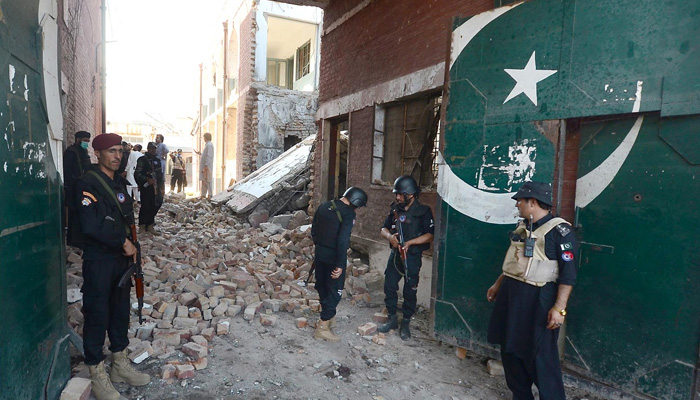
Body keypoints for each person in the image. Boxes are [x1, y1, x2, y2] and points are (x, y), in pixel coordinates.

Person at [74, 133, 151, 400]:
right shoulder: (88, 183)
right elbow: (91, 225)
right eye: (111, 151)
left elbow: (125, 219)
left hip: (121, 260)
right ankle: (96, 374)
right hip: (99, 260)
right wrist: (122, 242)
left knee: (119, 312)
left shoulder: (118, 182)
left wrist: (133, 249)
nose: (117, 156)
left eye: (120, 151)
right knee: (97, 314)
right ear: (98, 154)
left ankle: (119, 364)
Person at [486, 181, 579, 400]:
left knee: (541, 356)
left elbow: (568, 275)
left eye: (521, 200)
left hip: (539, 301)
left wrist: (559, 309)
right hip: (511, 298)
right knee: (510, 349)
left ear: (533, 202)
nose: (517, 204)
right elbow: (515, 264)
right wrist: (498, 284)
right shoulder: (523, 228)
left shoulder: (560, 232)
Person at [377, 175, 434, 340]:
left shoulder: (423, 211)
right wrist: (390, 238)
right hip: (396, 255)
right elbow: (383, 228)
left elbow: (430, 235)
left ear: (411, 194)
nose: (398, 197)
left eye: (401, 194)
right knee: (389, 285)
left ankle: (406, 322)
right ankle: (392, 319)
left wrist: (410, 243)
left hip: (413, 257)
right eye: (397, 194)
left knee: (410, 289)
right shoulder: (396, 209)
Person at [310, 187, 368, 342]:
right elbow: (343, 241)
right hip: (334, 256)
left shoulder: (324, 206)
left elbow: (314, 229)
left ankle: (329, 318)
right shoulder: (348, 214)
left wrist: (320, 246)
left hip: (320, 253)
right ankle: (322, 327)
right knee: (335, 289)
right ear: (356, 202)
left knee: (322, 285)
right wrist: (340, 265)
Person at [63, 130, 92, 247]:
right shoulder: (71, 152)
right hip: (73, 188)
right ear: (77, 139)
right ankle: (74, 240)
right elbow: (67, 171)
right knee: (74, 215)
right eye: (85, 141)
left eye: (88, 141)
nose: (86, 143)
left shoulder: (84, 152)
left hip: (83, 187)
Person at [134, 142, 164, 234]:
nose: (153, 150)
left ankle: (150, 224)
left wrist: (162, 187)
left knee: (157, 203)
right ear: (147, 149)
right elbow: (137, 174)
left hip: (156, 187)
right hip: (146, 187)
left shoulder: (157, 160)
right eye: (151, 148)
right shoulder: (142, 159)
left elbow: (160, 175)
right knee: (146, 205)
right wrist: (146, 179)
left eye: (154, 148)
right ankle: (142, 225)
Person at [199, 132, 214, 199]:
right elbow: (206, 155)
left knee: (208, 180)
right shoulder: (207, 145)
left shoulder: (209, 145)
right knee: (204, 180)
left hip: (207, 166)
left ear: (206, 137)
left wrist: (206, 165)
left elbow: (209, 156)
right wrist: (201, 154)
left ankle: (210, 195)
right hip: (205, 166)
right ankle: (203, 195)